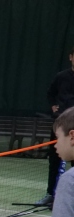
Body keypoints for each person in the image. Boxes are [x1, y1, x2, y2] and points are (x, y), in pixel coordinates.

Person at [36, 46, 74, 208]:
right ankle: (51, 194)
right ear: (71, 57)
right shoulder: (61, 77)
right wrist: (53, 106)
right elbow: (50, 93)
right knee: (55, 160)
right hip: (60, 125)